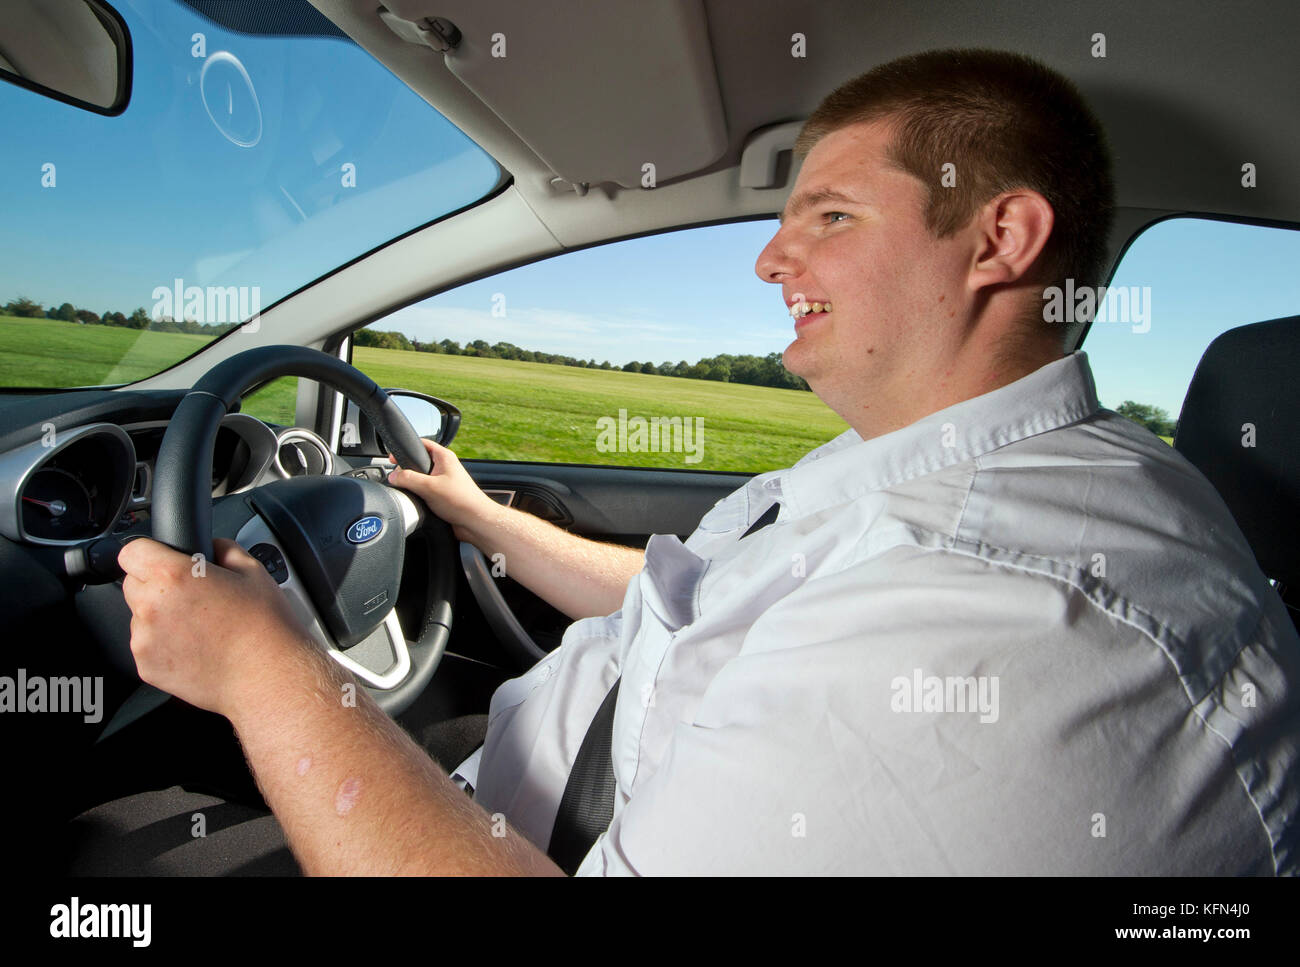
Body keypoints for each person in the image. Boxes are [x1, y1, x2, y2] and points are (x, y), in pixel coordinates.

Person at [115, 48, 1298, 875]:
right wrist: (486, 520)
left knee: (109, 847)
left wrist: (268, 670)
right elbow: (703, 605)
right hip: (503, 796)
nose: (770, 261)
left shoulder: (1001, 617)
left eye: (828, 215)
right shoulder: (922, 481)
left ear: (999, 238)